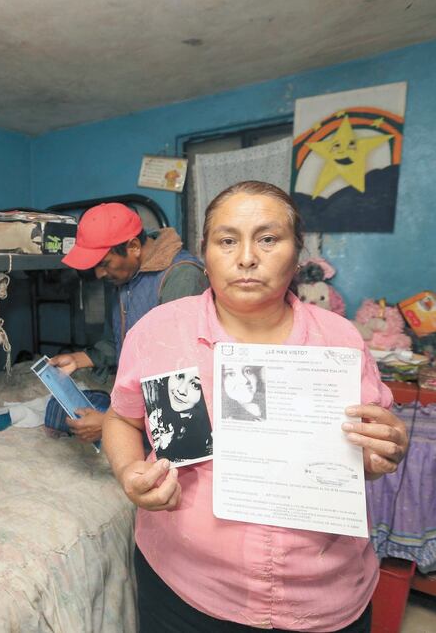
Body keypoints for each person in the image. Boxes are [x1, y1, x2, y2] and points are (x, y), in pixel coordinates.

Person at [102, 181, 408, 632]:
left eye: (267, 239)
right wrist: (130, 471)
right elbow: (122, 419)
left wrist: (385, 447)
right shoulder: (158, 332)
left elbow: (366, 453)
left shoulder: (340, 339)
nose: (246, 257)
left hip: (323, 594)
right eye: (227, 241)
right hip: (184, 587)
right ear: (205, 253)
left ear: (297, 253)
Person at [50, 202, 207, 443]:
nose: (99, 274)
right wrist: (80, 359)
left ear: (133, 246)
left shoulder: (181, 277)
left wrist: (111, 423)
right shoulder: (125, 276)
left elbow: (180, 376)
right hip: (138, 400)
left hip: (176, 409)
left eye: (104, 263)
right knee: (59, 411)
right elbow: (121, 342)